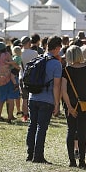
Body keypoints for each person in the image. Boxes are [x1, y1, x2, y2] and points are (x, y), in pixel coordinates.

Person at [26, 35, 62, 164]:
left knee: (32, 125)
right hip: (46, 99)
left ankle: (30, 153)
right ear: (57, 48)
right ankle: (38, 155)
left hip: (32, 97)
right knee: (42, 127)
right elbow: (56, 86)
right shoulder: (56, 64)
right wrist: (57, 103)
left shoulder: (37, 59)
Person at [61, 45, 86, 168]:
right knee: (82, 132)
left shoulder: (66, 71)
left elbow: (63, 91)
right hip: (85, 104)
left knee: (71, 131)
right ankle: (82, 161)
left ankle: (72, 160)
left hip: (71, 104)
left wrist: (69, 107)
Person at [0, 41, 16, 123]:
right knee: (10, 99)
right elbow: (12, 64)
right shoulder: (6, 55)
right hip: (8, 79)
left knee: (0, 99)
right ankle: (9, 117)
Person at [19, 36, 39, 122]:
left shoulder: (19, 53)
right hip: (32, 77)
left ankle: (25, 115)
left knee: (24, 98)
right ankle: (33, 114)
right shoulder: (34, 53)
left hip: (22, 76)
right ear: (28, 43)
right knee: (33, 96)